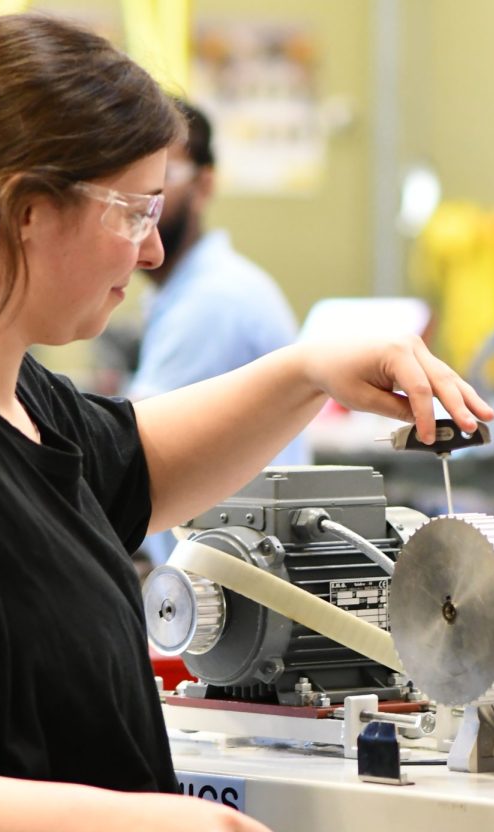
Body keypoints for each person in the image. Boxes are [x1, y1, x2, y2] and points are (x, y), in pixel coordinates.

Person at [0, 15, 492, 831]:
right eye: (134, 211)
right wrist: (154, 823)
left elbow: (139, 465)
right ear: (27, 210)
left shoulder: (0, 388)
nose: (153, 251)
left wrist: (306, 369)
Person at [127, 99, 308, 563]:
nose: (143, 209)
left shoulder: (212, 302)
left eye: (161, 182)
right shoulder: (184, 292)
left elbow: (130, 467)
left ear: (205, 184)